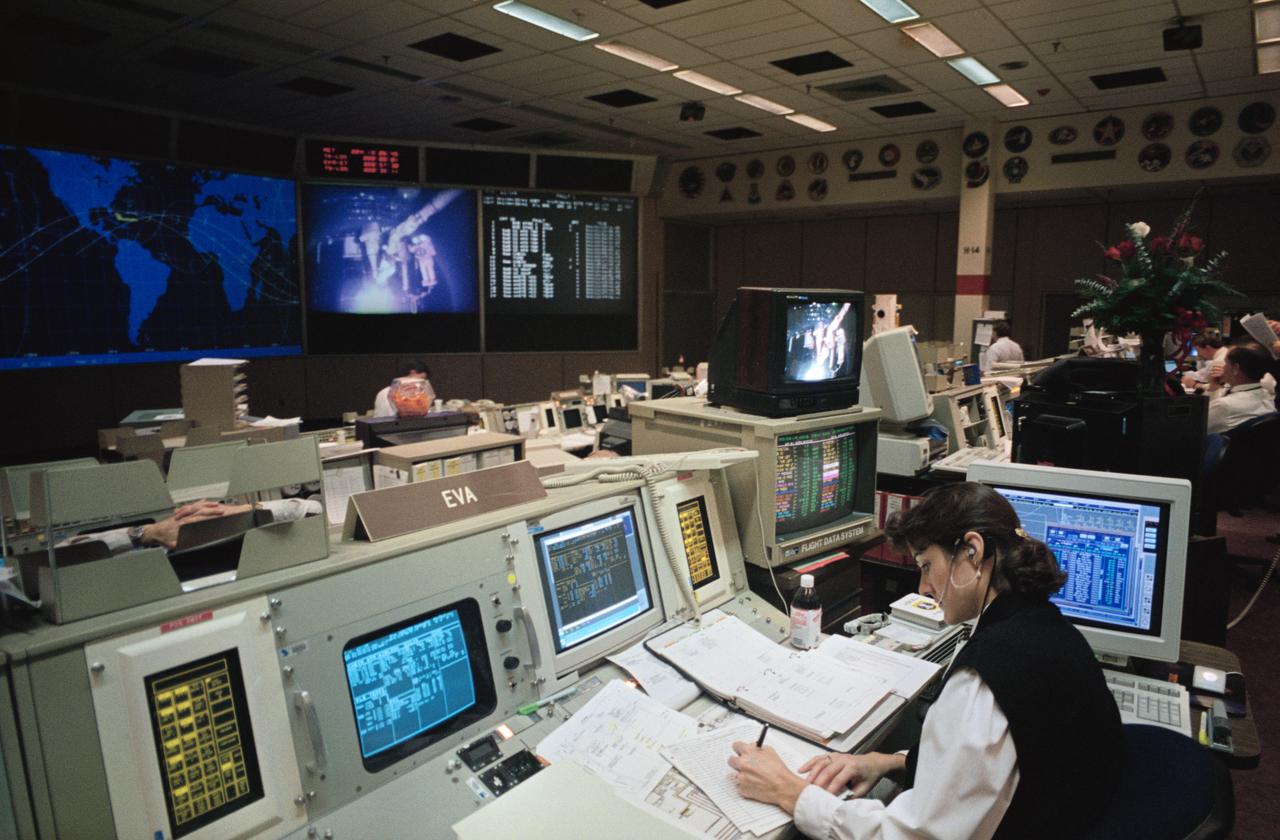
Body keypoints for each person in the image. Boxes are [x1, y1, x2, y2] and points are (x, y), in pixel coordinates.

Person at [728, 482, 1122, 840]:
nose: (924, 588)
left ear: (973, 550)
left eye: (927, 565)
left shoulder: (987, 677)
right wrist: (887, 761)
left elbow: (914, 837)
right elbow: (978, 763)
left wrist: (790, 792)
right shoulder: (1040, 625)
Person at [59, 498, 321, 553]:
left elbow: (313, 511)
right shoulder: (158, 534)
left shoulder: (242, 523)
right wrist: (149, 532)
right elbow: (64, 552)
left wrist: (244, 511)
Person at [1206, 343, 1277, 434]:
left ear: (1235, 368)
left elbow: (1193, 428)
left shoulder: (1225, 405)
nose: (1223, 367)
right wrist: (1215, 387)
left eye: (1226, 363)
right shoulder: (1268, 395)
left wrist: (1212, 389)